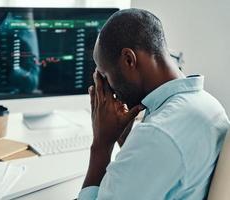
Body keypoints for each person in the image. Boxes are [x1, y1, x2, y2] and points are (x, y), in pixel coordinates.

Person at [78, 8, 230, 200]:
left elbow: (157, 147)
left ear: (128, 60)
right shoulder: (208, 104)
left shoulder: (157, 134)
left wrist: (101, 145)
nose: (106, 88)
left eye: (105, 76)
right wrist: (127, 142)